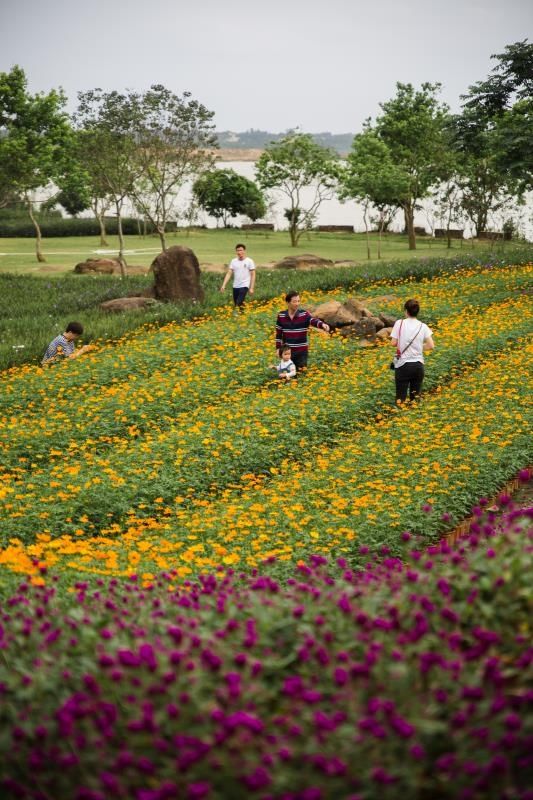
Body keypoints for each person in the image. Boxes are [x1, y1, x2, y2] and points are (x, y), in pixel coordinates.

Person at [390, 299, 434, 402]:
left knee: (401, 398)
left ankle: (400, 416)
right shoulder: (423, 326)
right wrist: (418, 347)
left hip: (403, 366)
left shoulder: (399, 323)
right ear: (417, 312)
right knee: (415, 399)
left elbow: (393, 343)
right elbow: (431, 346)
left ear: (406, 311)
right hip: (418, 366)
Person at [275, 290, 330, 372]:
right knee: (287, 376)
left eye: (298, 301)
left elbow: (312, 320)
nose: (297, 303)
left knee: (301, 374)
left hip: (301, 352)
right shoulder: (281, 316)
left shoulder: (304, 314)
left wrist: (322, 324)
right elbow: (278, 335)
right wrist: (278, 348)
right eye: (294, 301)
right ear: (288, 302)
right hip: (287, 353)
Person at [220, 243, 256, 312]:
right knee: (239, 303)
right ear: (236, 252)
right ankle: (243, 316)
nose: (239, 252)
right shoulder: (233, 261)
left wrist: (251, 287)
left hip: (245, 285)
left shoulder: (249, 261)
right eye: (238, 250)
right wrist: (223, 285)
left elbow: (253, 274)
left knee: (238, 303)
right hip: (235, 286)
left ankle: (235, 315)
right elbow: (229, 273)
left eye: (241, 250)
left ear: (244, 251)